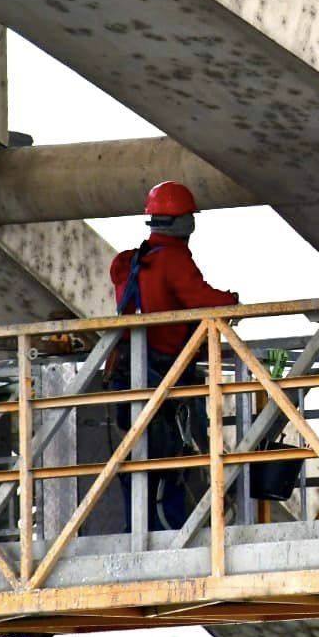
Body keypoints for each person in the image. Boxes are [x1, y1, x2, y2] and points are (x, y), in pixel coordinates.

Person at [108, 180, 240, 530]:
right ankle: (174, 529)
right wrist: (230, 302)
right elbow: (198, 298)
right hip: (165, 375)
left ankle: (140, 528)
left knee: (138, 459)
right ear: (183, 222)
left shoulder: (135, 262)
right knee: (177, 457)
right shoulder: (173, 259)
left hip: (130, 375)